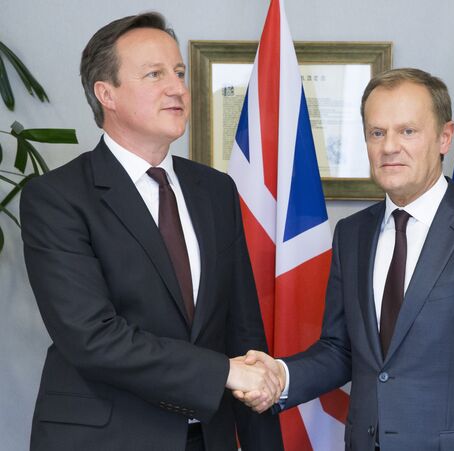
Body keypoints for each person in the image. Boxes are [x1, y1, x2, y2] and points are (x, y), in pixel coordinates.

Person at [239, 68, 454, 450]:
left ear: (444, 137)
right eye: (377, 132)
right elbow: (341, 349)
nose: (389, 146)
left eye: (407, 131)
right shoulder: (352, 234)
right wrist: (281, 375)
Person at [20, 12, 283, 451]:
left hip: (209, 438)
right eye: (154, 74)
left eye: (179, 72)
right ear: (107, 94)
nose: (178, 87)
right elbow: (93, 337)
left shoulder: (216, 190)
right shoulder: (57, 197)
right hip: (106, 439)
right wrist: (224, 372)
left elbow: (243, 332)